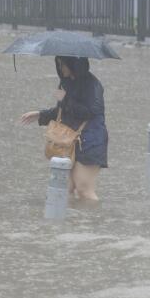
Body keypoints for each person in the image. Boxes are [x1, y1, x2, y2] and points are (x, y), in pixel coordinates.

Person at [21, 56, 108, 201]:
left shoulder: (93, 85)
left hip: (91, 141)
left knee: (83, 189)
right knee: (63, 187)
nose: (61, 68)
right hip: (68, 142)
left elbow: (92, 111)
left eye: (63, 65)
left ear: (73, 64)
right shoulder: (64, 83)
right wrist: (40, 114)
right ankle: (65, 222)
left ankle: (93, 221)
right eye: (59, 64)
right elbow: (61, 110)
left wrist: (67, 99)